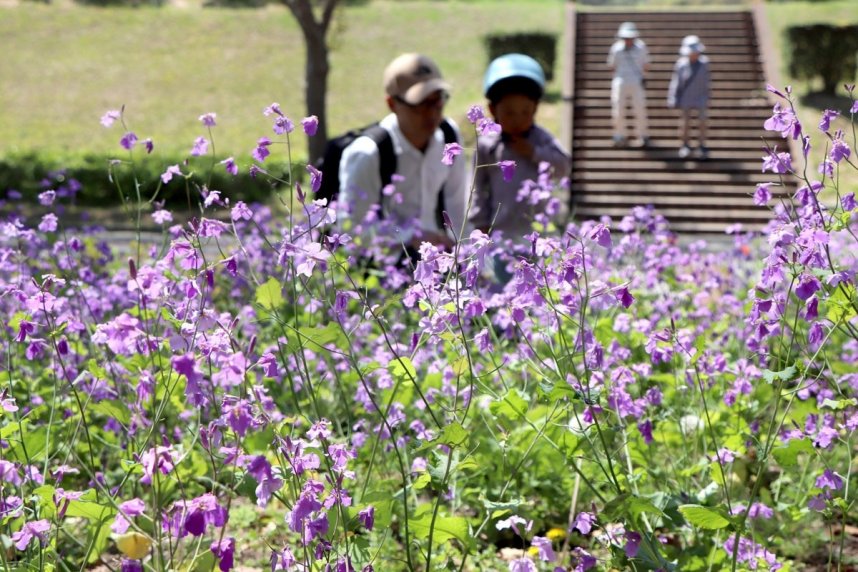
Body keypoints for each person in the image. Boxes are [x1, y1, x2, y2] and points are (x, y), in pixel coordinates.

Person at [337, 53, 467, 251]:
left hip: (437, 264)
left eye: (437, 101)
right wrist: (409, 240)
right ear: (392, 104)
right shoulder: (368, 154)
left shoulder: (449, 136)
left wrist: (468, 260)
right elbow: (351, 232)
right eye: (421, 104)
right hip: (384, 271)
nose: (432, 113)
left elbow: (457, 207)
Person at [470, 53, 570, 241]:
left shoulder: (541, 139)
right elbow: (477, 188)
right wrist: (480, 224)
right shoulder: (487, 145)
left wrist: (534, 153)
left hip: (538, 235)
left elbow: (563, 167)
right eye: (509, 113)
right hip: (499, 234)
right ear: (492, 110)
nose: (517, 120)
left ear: (535, 109)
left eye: (525, 112)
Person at [667, 35, 711, 159]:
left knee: (702, 121)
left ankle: (702, 144)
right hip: (686, 97)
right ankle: (685, 144)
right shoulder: (681, 64)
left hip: (700, 97)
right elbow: (676, 82)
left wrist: (707, 96)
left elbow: (707, 82)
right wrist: (673, 97)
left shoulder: (704, 63)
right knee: (685, 122)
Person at [607, 21, 650, 148]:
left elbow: (646, 65)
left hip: (636, 81)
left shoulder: (641, 47)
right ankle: (619, 134)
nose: (628, 40)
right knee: (618, 109)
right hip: (620, 81)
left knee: (640, 108)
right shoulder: (616, 48)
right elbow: (612, 65)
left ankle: (642, 135)